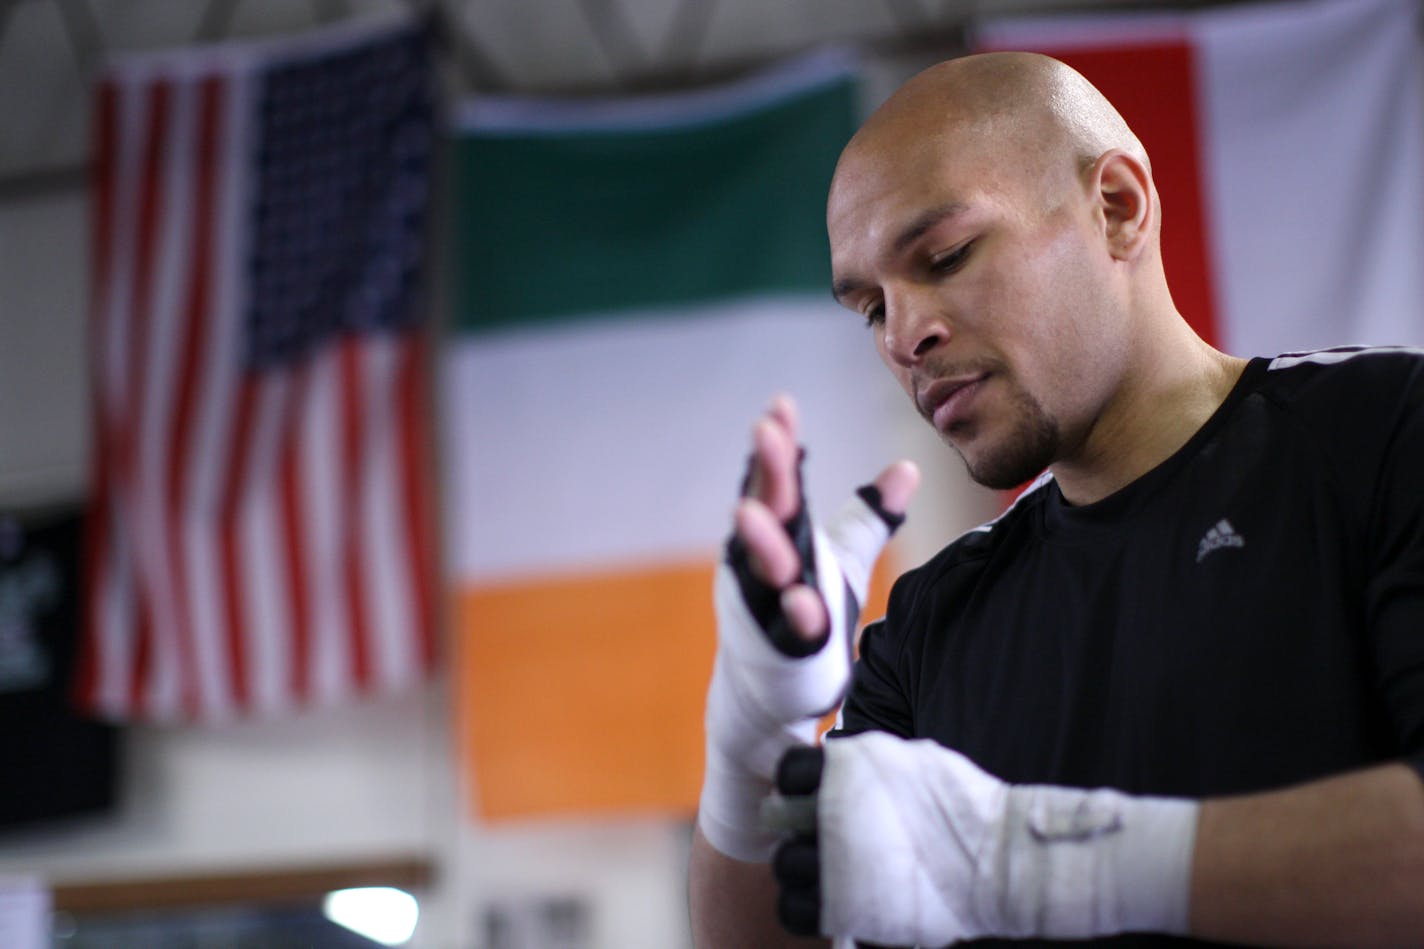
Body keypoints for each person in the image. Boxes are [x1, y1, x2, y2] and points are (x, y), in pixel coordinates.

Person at [687, 51, 1424, 948]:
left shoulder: (1385, 436)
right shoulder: (932, 621)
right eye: (872, 308)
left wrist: (1042, 862)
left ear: (1117, 208)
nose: (905, 334)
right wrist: (755, 739)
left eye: (946, 255)